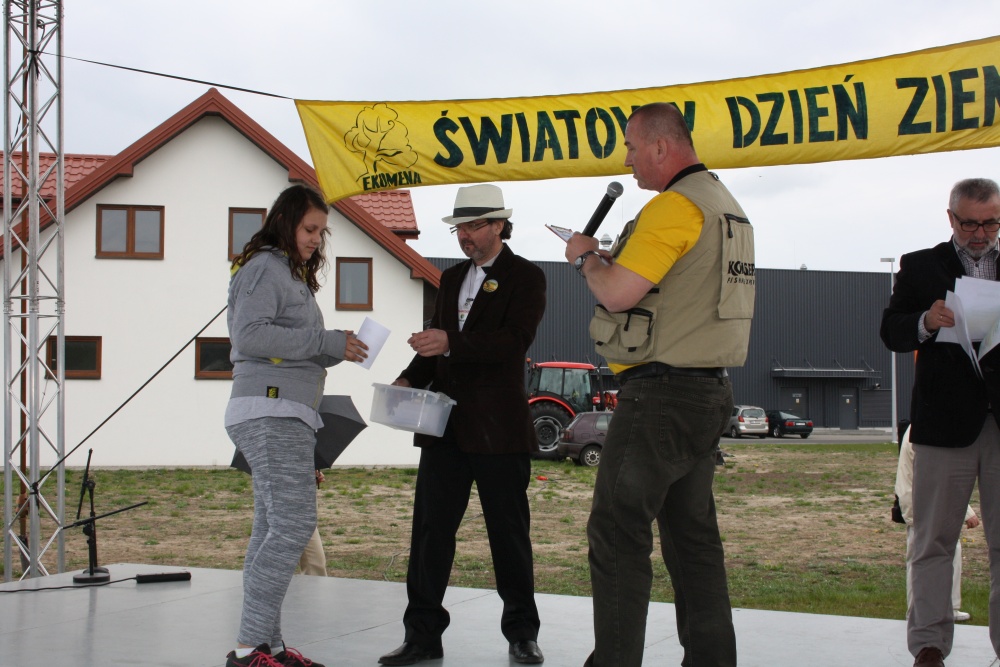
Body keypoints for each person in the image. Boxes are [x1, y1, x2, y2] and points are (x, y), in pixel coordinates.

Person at [564, 102, 755, 667]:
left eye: (630, 147)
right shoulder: (726, 206)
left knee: (616, 530)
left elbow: (618, 292)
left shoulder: (674, 206)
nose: (627, 161)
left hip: (661, 394)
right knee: (692, 539)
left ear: (661, 147)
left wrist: (586, 259)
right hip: (707, 390)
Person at [378, 184, 547, 666]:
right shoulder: (451, 278)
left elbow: (514, 342)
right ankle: (421, 635)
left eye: (473, 226)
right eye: (459, 228)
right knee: (430, 534)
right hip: (446, 429)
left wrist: (450, 342)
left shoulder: (526, 276)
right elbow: (435, 348)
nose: (465, 236)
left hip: (499, 430)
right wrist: (408, 378)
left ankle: (522, 634)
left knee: (508, 536)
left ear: (499, 225)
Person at [224, 184, 368, 667]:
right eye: (310, 229)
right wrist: (324, 340)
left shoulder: (287, 273)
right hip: (271, 409)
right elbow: (249, 335)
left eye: (321, 232)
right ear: (285, 222)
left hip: (284, 410)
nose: (315, 239)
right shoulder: (265, 268)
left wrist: (335, 347)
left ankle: (268, 648)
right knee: (293, 525)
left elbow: (289, 343)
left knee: (272, 527)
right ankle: (249, 649)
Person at [880, 177, 1000, 667]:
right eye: (970, 223)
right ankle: (929, 646)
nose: (980, 234)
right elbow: (891, 331)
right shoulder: (921, 265)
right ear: (951, 218)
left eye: (991, 223)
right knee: (932, 541)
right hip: (943, 423)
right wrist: (926, 322)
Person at [895, 425, 980, 622]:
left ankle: (949, 607)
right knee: (920, 556)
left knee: (950, 550)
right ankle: (917, 611)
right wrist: (967, 512)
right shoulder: (925, 432)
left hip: (923, 500)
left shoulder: (923, 429)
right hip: (921, 502)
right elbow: (938, 474)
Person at [298, 471, 329, 577]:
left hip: (301, 506)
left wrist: (310, 475)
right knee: (314, 566)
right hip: (294, 507)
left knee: (315, 567)